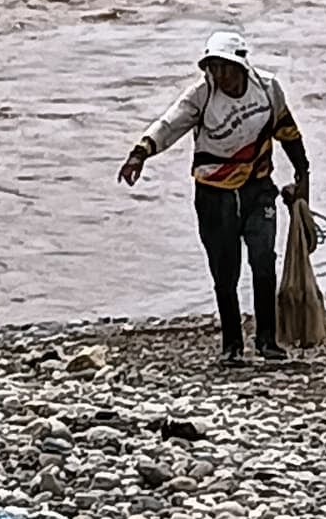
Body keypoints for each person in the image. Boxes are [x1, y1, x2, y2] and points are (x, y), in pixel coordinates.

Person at [116, 27, 313, 365]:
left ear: (241, 66)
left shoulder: (266, 90)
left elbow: (287, 131)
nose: (219, 75)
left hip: (258, 188)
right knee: (225, 272)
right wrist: (140, 153)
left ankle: (268, 341)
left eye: (225, 67)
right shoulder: (201, 96)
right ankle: (232, 346)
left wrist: (302, 175)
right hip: (214, 196)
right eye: (213, 67)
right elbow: (169, 125)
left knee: (263, 262)